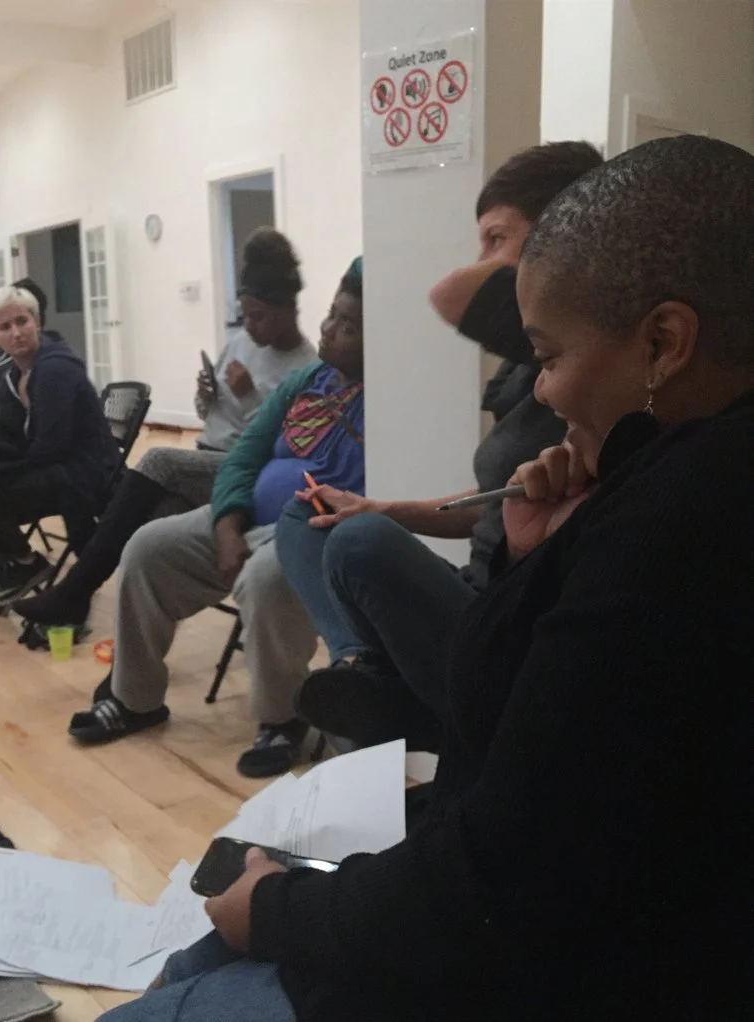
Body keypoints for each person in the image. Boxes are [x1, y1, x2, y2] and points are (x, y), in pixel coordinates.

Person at [104, 132, 754, 1022]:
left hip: (551, 966)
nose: (550, 393)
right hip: (524, 908)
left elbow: (499, 885)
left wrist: (284, 908)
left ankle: (370, 694)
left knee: (191, 973)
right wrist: (536, 560)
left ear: (665, 342)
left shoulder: (674, 533)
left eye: (552, 354)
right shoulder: (660, 492)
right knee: (194, 960)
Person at [270, 142, 598, 748]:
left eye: (496, 238)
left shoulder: (588, 379)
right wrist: (380, 507)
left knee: (357, 544)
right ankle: (364, 669)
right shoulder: (530, 373)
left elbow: (451, 294)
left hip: (503, 623)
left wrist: (372, 523)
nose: (479, 261)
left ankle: (411, 705)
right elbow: (500, 500)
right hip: (473, 590)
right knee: (307, 514)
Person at [63, 260, 365, 779]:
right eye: (331, 315)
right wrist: (227, 525)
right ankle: (135, 698)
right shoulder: (307, 382)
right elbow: (244, 456)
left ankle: (284, 718)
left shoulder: (397, 403)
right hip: (250, 518)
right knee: (148, 546)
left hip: (315, 530)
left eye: (347, 324)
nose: (327, 329)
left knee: (267, 577)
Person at [10, 229, 319, 628]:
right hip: (203, 458)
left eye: (258, 316)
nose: (249, 325)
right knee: (148, 538)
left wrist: (249, 395)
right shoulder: (241, 342)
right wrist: (205, 396)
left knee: (157, 460)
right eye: (244, 313)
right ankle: (113, 640)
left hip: (242, 470)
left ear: (286, 311)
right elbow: (209, 414)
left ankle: (73, 592)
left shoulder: (306, 367)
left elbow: (282, 444)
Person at [0, 287, 120, 600]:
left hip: (81, 475)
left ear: (37, 323)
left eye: (22, 321)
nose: (16, 333)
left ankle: (24, 562)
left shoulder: (55, 368)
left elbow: (51, 447)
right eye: (5, 327)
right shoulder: (12, 375)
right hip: (50, 466)